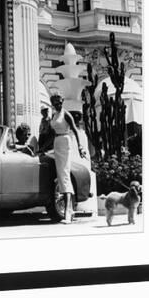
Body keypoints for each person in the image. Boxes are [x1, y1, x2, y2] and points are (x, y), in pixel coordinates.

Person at [50, 94, 86, 224]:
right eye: (55, 103)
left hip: (65, 142)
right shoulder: (54, 115)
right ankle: (69, 210)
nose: (58, 105)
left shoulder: (66, 114)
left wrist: (80, 147)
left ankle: (68, 213)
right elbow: (52, 132)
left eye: (60, 102)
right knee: (60, 176)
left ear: (62, 102)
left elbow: (75, 130)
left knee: (64, 176)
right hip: (57, 142)